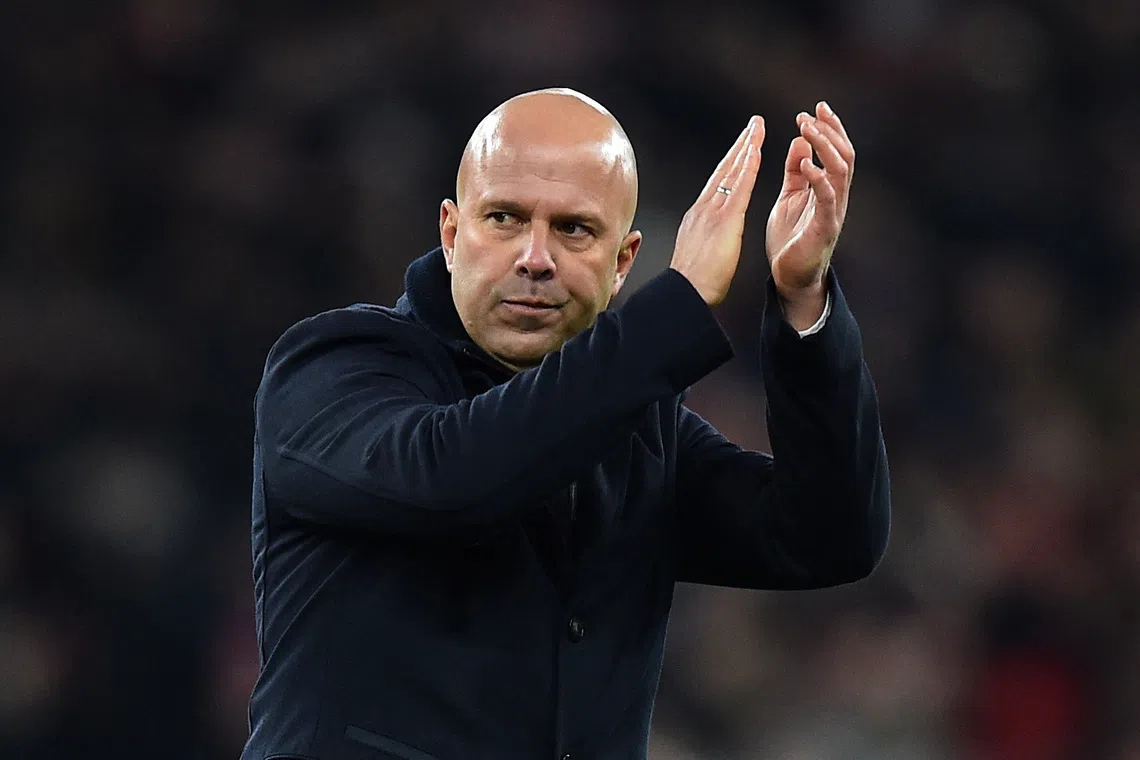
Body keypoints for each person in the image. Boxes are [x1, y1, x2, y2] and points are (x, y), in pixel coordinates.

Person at [241, 88, 890, 760]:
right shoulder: (334, 369)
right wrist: (679, 307)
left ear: (623, 264)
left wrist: (803, 295)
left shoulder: (639, 430)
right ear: (452, 233)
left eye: (573, 229)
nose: (535, 257)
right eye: (504, 218)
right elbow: (454, 478)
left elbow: (827, 537)